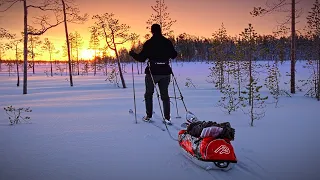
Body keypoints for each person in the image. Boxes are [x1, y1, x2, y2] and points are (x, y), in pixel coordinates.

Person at [129, 24, 178, 124]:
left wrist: (132, 54)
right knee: (165, 95)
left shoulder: (149, 43)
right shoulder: (167, 42)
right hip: (165, 73)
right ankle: (167, 117)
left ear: (152, 31)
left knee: (148, 94)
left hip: (152, 73)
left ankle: (149, 116)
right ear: (160, 30)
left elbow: (141, 58)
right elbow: (174, 55)